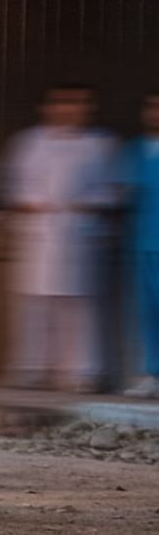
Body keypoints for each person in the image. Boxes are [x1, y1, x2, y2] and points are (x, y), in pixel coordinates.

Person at [0, 83, 119, 393]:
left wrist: (87, 205)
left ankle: (82, 373)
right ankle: (29, 368)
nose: (70, 109)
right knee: (33, 307)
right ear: (47, 106)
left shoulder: (101, 145)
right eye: (63, 102)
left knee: (80, 307)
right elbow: (11, 185)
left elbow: (114, 188)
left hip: (81, 235)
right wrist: (33, 203)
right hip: (39, 236)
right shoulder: (29, 143)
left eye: (79, 103)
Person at [122, 90, 159, 398]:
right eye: (152, 107)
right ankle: (151, 373)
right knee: (147, 311)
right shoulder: (134, 150)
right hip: (142, 243)